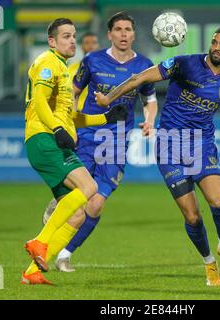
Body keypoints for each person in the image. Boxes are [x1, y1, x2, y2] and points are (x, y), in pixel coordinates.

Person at [95, 27, 220, 286]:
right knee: (192, 216)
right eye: (214, 42)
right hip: (169, 146)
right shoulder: (184, 64)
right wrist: (108, 98)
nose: (217, 47)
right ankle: (209, 263)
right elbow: (139, 78)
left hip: (201, 145)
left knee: (217, 201)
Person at [44, 12, 158, 273]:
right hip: (87, 137)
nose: (123, 34)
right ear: (109, 34)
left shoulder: (144, 66)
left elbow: (149, 100)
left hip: (116, 142)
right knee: (79, 196)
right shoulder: (92, 60)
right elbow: (73, 91)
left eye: (128, 29)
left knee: (96, 203)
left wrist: (150, 120)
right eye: (118, 29)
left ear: (134, 34)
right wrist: (68, 120)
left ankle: (64, 253)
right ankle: (56, 214)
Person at [21, 18, 127, 285]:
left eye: (73, 35)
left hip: (52, 137)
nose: (72, 41)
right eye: (65, 36)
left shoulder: (63, 67)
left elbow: (73, 117)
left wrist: (105, 118)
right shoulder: (47, 61)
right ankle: (40, 241)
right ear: (52, 41)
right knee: (90, 187)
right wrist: (57, 129)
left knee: (78, 214)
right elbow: (40, 103)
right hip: (44, 138)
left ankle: (32, 273)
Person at [68, 32, 99, 112]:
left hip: (98, 114)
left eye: (94, 43)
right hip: (77, 113)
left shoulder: (106, 68)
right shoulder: (71, 69)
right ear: (81, 46)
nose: (90, 46)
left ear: (98, 46)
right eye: (87, 43)